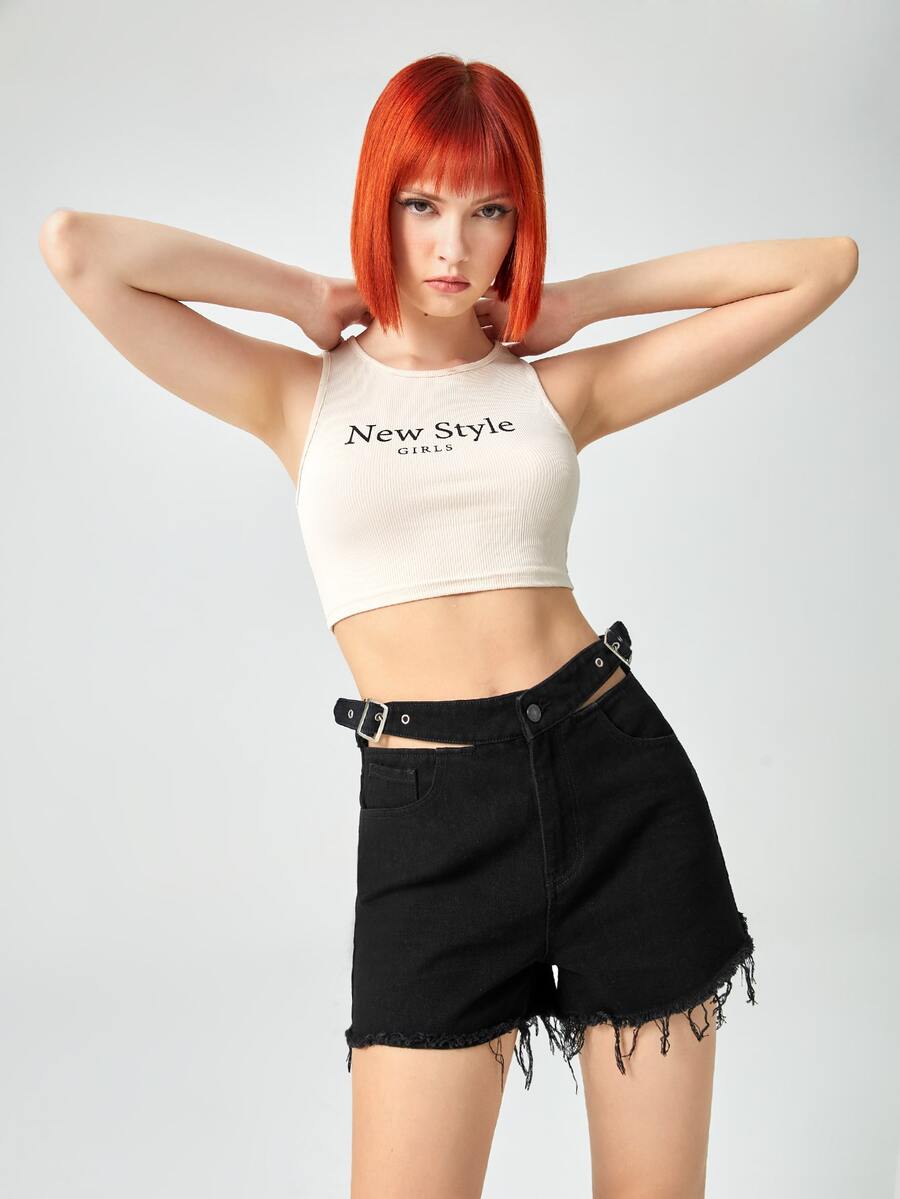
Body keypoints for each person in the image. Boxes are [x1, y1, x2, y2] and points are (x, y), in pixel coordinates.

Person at [40, 51, 858, 1199]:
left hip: (620, 787)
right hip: (434, 820)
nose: (452, 245)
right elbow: (78, 247)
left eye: (490, 211)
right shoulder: (298, 394)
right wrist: (297, 294)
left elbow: (824, 266)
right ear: (378, 204)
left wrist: (577, 303)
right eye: (421, 203)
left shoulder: (555, 388)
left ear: (522, 224)